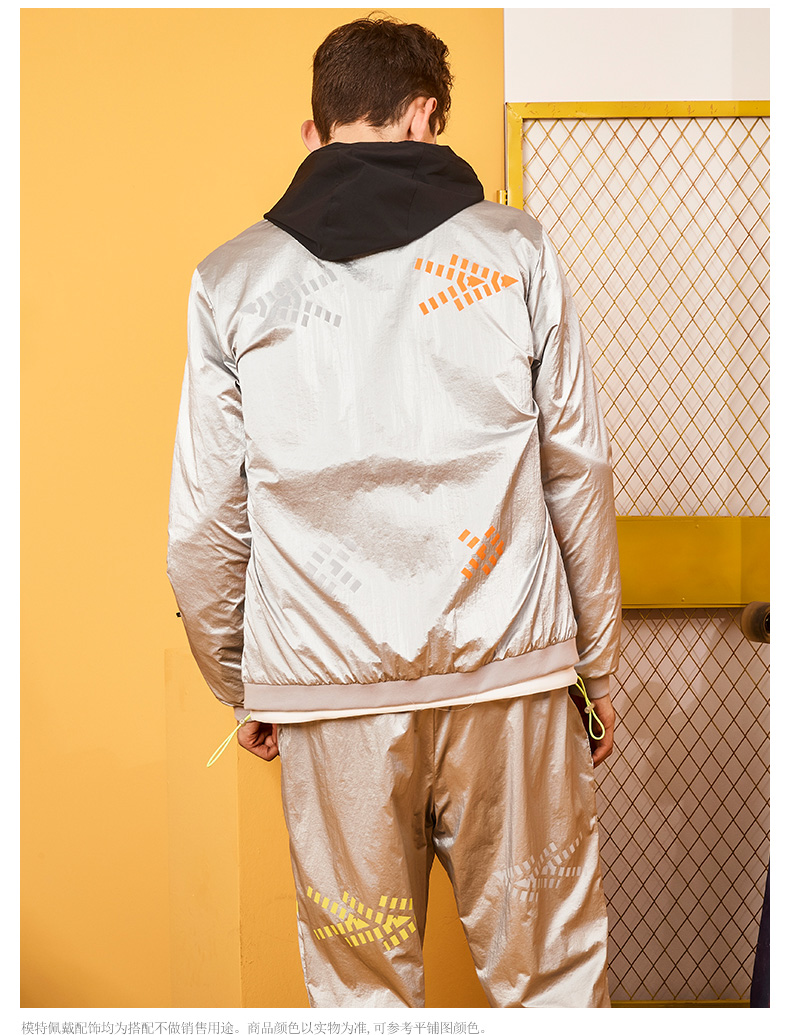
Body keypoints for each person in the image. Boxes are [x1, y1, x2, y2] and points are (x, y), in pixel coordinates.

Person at [167, 14, 621, 1008]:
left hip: (330, 694)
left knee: (361, 993)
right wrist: (590, 672)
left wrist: (245, 682)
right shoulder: (516, 251)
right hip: (510, 679)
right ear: (425, 116)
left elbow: (205, 518)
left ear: (314, 132)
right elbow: (577, 469)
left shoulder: (231, 281)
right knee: (549, 980)